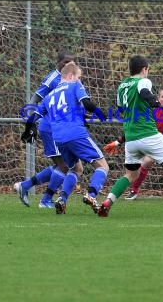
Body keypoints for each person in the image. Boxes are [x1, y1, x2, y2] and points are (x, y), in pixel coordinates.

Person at [97, 55, 163, 218]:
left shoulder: (122, 85)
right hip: (147, 134)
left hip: (131, 139)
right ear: (144, 69)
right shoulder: (143, 81)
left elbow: (120, 108)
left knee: (131, 175)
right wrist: (156, 104)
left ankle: (108, 201)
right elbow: (145, 93)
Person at [34, 63, 109, 215]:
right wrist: (101, 114)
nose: (80, 80)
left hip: (59, 139)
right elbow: (87, 103)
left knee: (76, 168)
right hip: (76, 134)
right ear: (70, 76)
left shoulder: (50, 96)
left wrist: (29, 127)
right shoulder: (74, 86)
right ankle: (92, 195)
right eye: (79, 77)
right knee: (102, 166)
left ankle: (62, 199)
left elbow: (35, 114)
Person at [14, 51, 85, 209]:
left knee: (71, 166)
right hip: (51, 128)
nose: (70, 66)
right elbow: (36, 98)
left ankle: (26, 186)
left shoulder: (73, 79)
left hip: (64, 128)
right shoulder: (53, 78)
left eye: (72, 63)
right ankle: (45, 200)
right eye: (67, 63)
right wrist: (30, 122)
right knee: (66, 166)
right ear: (59, 64)